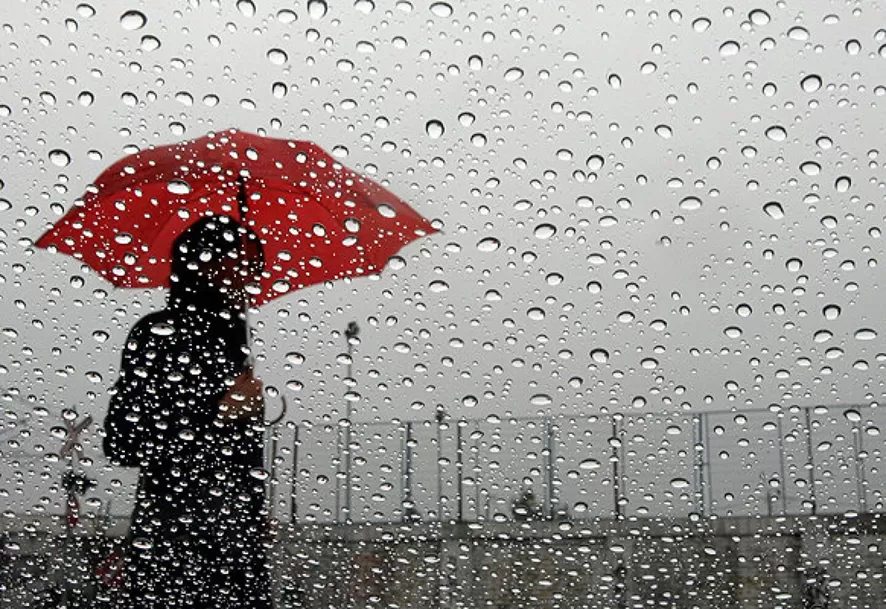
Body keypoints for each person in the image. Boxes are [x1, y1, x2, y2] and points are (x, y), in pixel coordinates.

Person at [103, 215, 272, 609]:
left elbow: (238, 458)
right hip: (171, 546)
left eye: (254, 267)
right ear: (205, 264)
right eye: (241, 264)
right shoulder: (156, 335)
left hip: (236, 547)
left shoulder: (236, 342)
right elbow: (122, 443)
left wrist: (254, 508)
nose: (251, 278)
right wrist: (221, 415)